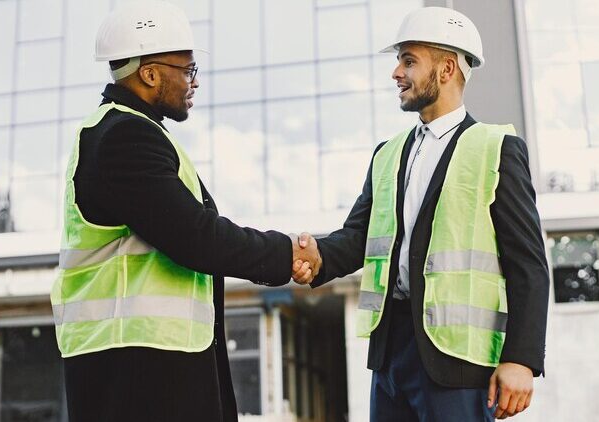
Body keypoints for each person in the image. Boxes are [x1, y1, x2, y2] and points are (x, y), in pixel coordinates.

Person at [50, 2, 319, 421]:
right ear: (150, 73)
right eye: (187, 70)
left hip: (143, 362)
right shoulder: (125, 136)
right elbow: (197, 237)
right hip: (138, 370)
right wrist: (287, 253)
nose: (194, 82)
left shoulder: (127, 132)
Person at [294, 7, 549, 421]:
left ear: (447, 69)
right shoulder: (387, 153)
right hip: (390, 352)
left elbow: (529, 264)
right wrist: (316, 255)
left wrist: (520, 358)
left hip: (457, 361)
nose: (396, 72)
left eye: (408, 60)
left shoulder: (495, 148)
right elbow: (357, 238)